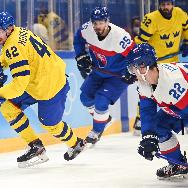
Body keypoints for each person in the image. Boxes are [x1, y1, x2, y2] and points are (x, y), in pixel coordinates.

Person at [0, 12, 85, 168]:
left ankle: (75, 143)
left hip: (51, 86)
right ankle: (35, 145)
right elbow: (14, 52)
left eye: (0, 31)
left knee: (51, 125)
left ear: (9, 29)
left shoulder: (12, 45)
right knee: (8, 107)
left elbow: (18, 85)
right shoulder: (20, 31)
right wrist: (0, 64)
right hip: (39, 80)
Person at [73, 6, 136, 145]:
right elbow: (78, 38)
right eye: (95, 22)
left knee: (101, 100)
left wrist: (132, 71)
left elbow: (134, 55)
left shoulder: (120, 37)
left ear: (108, 22)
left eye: (101, 22)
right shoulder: (87, 29)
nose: (97, 26)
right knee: (85, 98)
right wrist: (81, 55)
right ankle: (104, 120)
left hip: (118, 76)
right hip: (98, 72)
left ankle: (95, 132)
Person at [126, 43, 188, 179]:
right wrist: (149, 136)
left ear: (145, 66)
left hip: (184, 105)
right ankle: (178, 164)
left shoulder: (173, 83)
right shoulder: (144, 82)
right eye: (132, 68)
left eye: (135, 67)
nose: (134, 72)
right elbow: (147, 110)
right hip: (180, 108)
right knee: (157, 126)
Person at [133, 0, 188, 135]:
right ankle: (140, 119)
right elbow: (141, 42)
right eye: (163, 5)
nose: (165, 7)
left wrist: (186, 41)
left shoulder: (180, 14)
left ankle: (180, 119)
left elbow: (186, 28)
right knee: (148, 90)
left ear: (173, 5)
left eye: (168, 4)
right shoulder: (151, 19)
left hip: (172, 64)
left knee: (175, 93)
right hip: (154, 66)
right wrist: (136, 57)